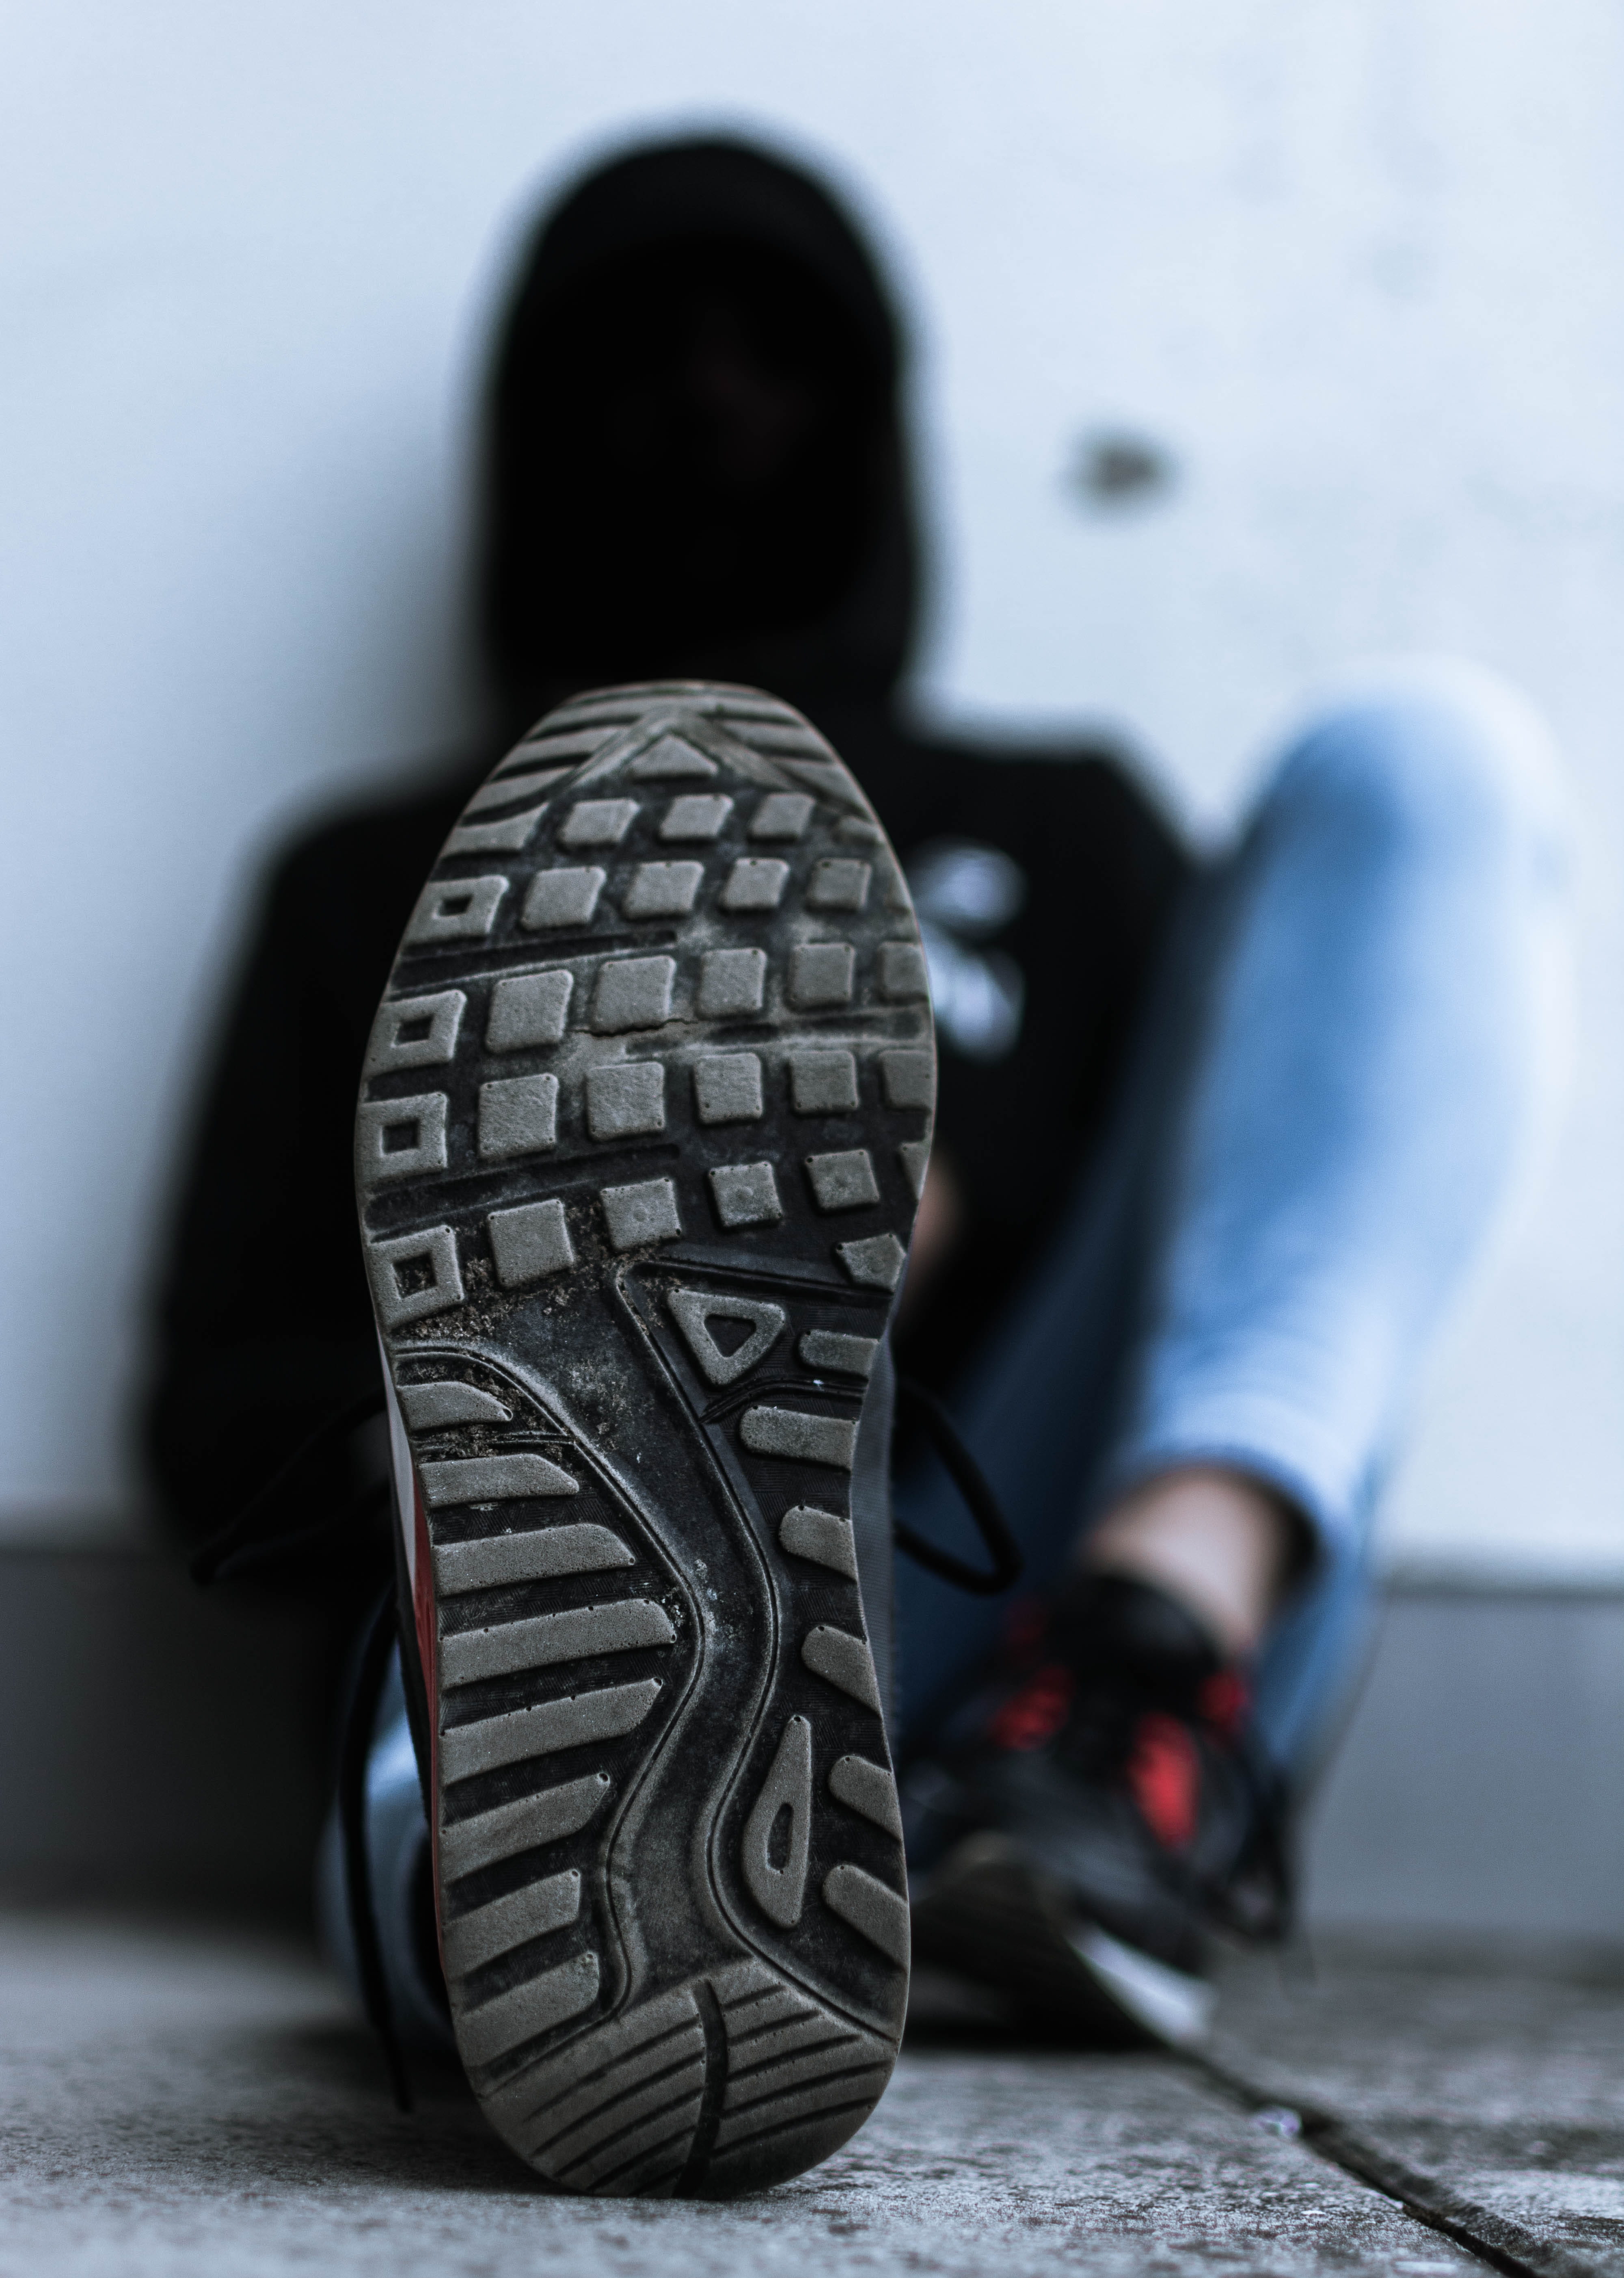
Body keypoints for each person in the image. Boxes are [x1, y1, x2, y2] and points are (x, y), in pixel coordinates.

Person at [148, 136, 1570, 2102]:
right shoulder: (378, 876)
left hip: (1024, 1623)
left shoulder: (1065, 831)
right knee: (564, 1528)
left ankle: (1131, 1698)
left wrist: (903, 1238)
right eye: (639, 356)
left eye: (773, 352)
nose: (712, 403)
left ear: (876, 424)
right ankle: (539, 1861)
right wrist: (551, 1346)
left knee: (1426, 765)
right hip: (572, 1637)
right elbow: (204, 1423)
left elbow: (1245, 1219)